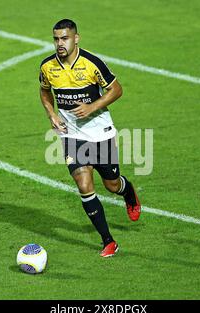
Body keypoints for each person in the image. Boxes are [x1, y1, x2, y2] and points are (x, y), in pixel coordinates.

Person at [39, 19, 141, 257]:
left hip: (99, 132)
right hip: (71, 134)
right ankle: (108, 241)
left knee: (111, 184)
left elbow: (116, 90)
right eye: (56, 39)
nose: (59, 44)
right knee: (84, 185)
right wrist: (51, 113)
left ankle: (128, 192)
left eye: (64, 38)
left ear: (76, 38)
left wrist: (92, 107)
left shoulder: (92, 63)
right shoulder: (47, 67)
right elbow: (44, 91)